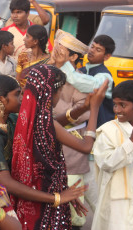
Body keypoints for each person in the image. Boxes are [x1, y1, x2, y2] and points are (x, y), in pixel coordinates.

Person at [11, 64, 109, 229]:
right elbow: (86, 146)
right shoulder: (47, 122)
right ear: (52, 93)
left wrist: (83, 107)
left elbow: (55, 125)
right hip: (50, 199)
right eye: (61, 91)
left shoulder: (26, 117)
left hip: (37, 196)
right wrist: (95, 108)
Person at [52, 29, 91, 229]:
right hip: (49, 143)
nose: (55, 51)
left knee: (74, 207)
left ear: (74, 56)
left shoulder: (79, 80)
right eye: (55, 47)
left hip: (71, 145)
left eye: (62, 49)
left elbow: (82, 113)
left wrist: (55, 117)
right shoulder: (47, 71)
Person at [92, 80, 133, 230]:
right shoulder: (108, 131)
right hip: (117, 205)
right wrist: (131, 141)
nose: (117, 110)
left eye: (123, 105)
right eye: (115, 104)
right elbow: (106, 163)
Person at [57, 34, 116, 128]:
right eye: (92, 47)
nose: (92, 51)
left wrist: (62, 63)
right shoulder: (82, 70)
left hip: (99, 127)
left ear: (107, 57)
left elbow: (83, 83)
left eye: (98, 50)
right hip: (80, 125)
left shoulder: (105, 77)